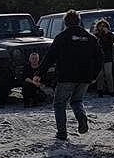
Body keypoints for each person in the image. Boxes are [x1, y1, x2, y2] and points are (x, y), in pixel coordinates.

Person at [33, 10, 103, 141]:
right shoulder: (90, 38)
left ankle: (62, 133)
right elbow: (100, 57)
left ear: (65, 23)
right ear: (79, 21)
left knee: (59, 104)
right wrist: (94, 75)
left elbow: (50, 57)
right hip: (85, 77)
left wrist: (39, 74)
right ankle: (81, 118)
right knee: (77, 101)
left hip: (66, 77)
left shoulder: (62, 37)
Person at [94, 19, 114, 97]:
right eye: (100, 26)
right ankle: (100, 91)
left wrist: (107, 34)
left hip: (107, 57)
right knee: (100, 75)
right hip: (99, 57)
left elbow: (111, 42)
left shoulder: (110, 34)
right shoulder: (96, 35)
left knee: (108, 74)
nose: (102, 27)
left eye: (104, 26)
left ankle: (111, 91)